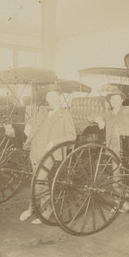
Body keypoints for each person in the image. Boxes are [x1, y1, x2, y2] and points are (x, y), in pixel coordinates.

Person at [19, 85, 76, 224]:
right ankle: (46, 208)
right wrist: (28, 124)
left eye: (53, 96)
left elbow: (71, 135)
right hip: (35, 149)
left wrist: (54, 142)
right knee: (40, 180)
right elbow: (33, 120)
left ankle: (32, 207)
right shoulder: (43, 110)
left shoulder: (65, 114)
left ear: (59, 97)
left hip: (49, 152)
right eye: (48, 96)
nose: (51, 99)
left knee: (38, 180)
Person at [91, 84, 129, 213]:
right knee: (116, 178)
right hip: (114, 150)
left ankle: (128, 202)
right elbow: (91, 116)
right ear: (110, 101)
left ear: (122, 100)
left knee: (128, 177)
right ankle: (120, 203)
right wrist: (99, 119)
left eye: (117, 99)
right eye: (112, 99)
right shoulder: (108, 114)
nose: (114, 101)